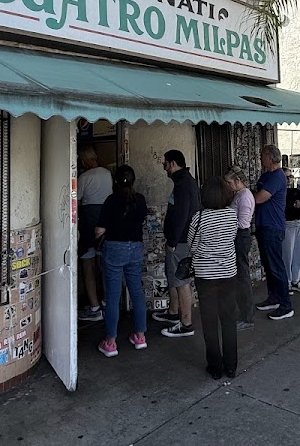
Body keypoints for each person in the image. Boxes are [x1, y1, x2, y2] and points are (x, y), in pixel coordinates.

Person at [189, 178, 240, 379]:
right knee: (229, 319)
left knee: (209, 321)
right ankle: (231, 366)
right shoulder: (232, 215)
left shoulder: (199, 218)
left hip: (205, 275)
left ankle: (215, 367)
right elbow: (232, 238)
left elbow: (192, 246)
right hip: (228, 273)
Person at [95, 165, 148, 358]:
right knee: (136, 292)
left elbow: (99, 230)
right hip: (136, 249)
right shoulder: (140, 199)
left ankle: (111, 342)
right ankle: (140, 337)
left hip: (114, 249)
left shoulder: (111, 200)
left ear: (115, 181)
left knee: (113, 295)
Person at [157, 149, 198, 338]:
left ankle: (186, 323)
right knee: (174, 278)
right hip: (181, 239)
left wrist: (173, 241)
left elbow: (181, 215)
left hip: (180, 241)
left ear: (173, 163)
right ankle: (174, 312)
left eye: (165, 164)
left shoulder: (183, 184)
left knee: (181, 281)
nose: (164, 168)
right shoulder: (184, 181)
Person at [253, 144, 294, 320]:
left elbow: (259, 198)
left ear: (270, 158)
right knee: (269, 266)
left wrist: (244, 195)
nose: (260, 158)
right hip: (263, 224)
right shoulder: (266, 176)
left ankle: (285, 305)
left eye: (263, 155)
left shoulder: (277, 176)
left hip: (272, 227)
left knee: (276, 266)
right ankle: (274, 297)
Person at [77, 146, 112, 322]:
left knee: (87, 264)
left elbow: (75, 200)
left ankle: (94, 307)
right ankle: (107, 302)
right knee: (105, 265)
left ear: (84, 161)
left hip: (88, 223)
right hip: (106, 222)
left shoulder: (84, 177)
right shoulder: (107, 173)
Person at [223, 166, 256, 331]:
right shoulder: (240, 195)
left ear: (237, 180)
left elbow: (242, 223)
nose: (228, 186)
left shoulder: (244, 197)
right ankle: (244, 312)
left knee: (242, 277)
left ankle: (247, 316)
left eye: (229, 182)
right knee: (239, 277)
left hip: (240, 237)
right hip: (238, 237)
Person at [283, 184, 300, 295]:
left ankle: (295, 280)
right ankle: (288, 281)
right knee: (287, 255)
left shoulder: (294, 192)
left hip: (298, 223)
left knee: (297, 253)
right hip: (289, 224)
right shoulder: (287, 193)